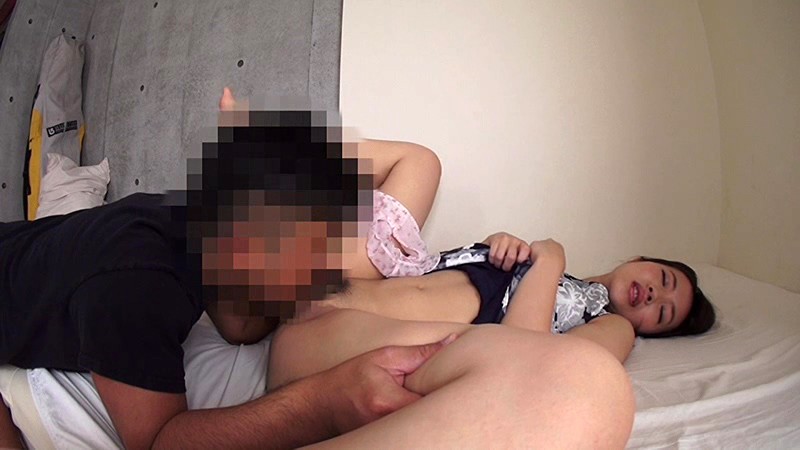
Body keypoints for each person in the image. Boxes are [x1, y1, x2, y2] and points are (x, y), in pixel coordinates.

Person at [0, 89, 635, 449]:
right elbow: (161, 442)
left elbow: (242, 324)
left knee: (589, 388)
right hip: (61, 279)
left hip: (49, 251)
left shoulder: (191, 234)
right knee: (587, 391)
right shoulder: (131, 285)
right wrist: (324, 403)